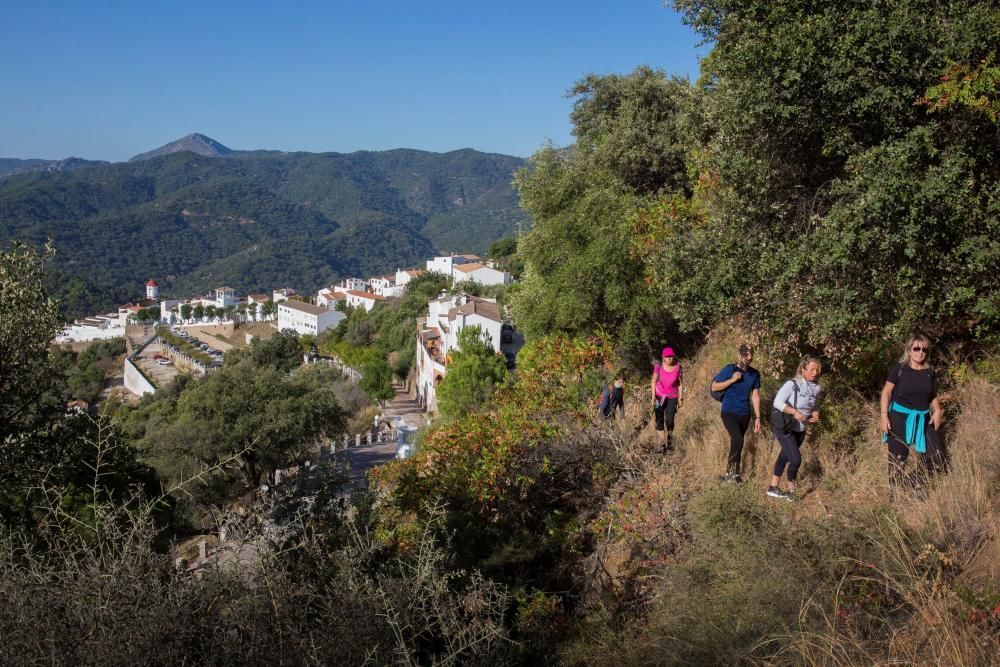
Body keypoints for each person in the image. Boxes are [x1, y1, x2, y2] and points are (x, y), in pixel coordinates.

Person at [880, 334, 943, 491]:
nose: (921, 352)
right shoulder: (899, 369)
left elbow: (931, 393)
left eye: (924, 349)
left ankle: (914, 484)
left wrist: (938, 409)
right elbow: (886, 393)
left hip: (923, 418)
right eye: (916, 348)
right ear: (909, 350)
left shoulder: (930, 371)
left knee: (936, 457)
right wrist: (883, 416)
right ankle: (896, 497)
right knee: (898, 460)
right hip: (899, 418)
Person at [767, 356, 822, 501]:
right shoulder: (793, 384)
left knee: (784, 456)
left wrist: (815, 413)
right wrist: (795, 412)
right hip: (785, 427)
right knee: (796, 459)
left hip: (801, 429)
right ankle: (791, 491)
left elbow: (813, 404)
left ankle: (773, 488)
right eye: (811, 369)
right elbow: (777, 402)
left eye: (817, 370)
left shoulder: (816, 387)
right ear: (803, 369)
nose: (815, 373)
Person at [711, 344, 762, 482]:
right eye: (746, 354)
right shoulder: (730, 369)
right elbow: (714, 386)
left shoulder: (755, 374)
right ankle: (732, 473)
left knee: (737, 442)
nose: (749, 357)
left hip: (745, 414)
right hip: (729, 411)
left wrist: (758, 417)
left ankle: (732, 474)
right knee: (738, 439)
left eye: (751, 354)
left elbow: (755, 396)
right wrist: (732, 379)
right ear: (740, 355)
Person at [651, 347, 684, 452]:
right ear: (663, 357)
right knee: (659, 420)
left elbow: (679, 384)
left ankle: (670, 439)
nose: (670, 358)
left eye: (671, 356)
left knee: (670, 421)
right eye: (667, 357)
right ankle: (662, 444)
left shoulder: (678, 368)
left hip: (672, 397)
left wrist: (681, 398)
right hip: (658, 396)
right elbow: (653, 381)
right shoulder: (658, 367)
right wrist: (653, 396)